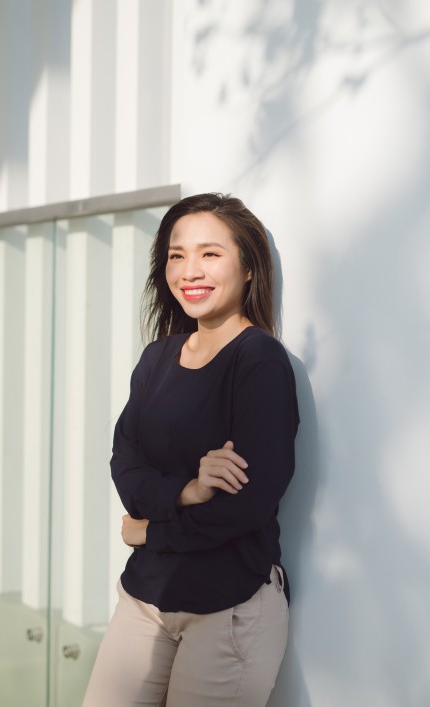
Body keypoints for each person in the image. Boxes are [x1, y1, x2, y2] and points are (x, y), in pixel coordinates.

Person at [82, 193, 300, 707]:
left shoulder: (259, 362)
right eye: (176, 255)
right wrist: (188, 490)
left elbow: (246, 505)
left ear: (249, 268)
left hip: (229, 607)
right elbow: (125, 467)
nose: (189, 270)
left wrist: (149, 531)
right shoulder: (157, 358)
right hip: (146, 596)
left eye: (210, 253)